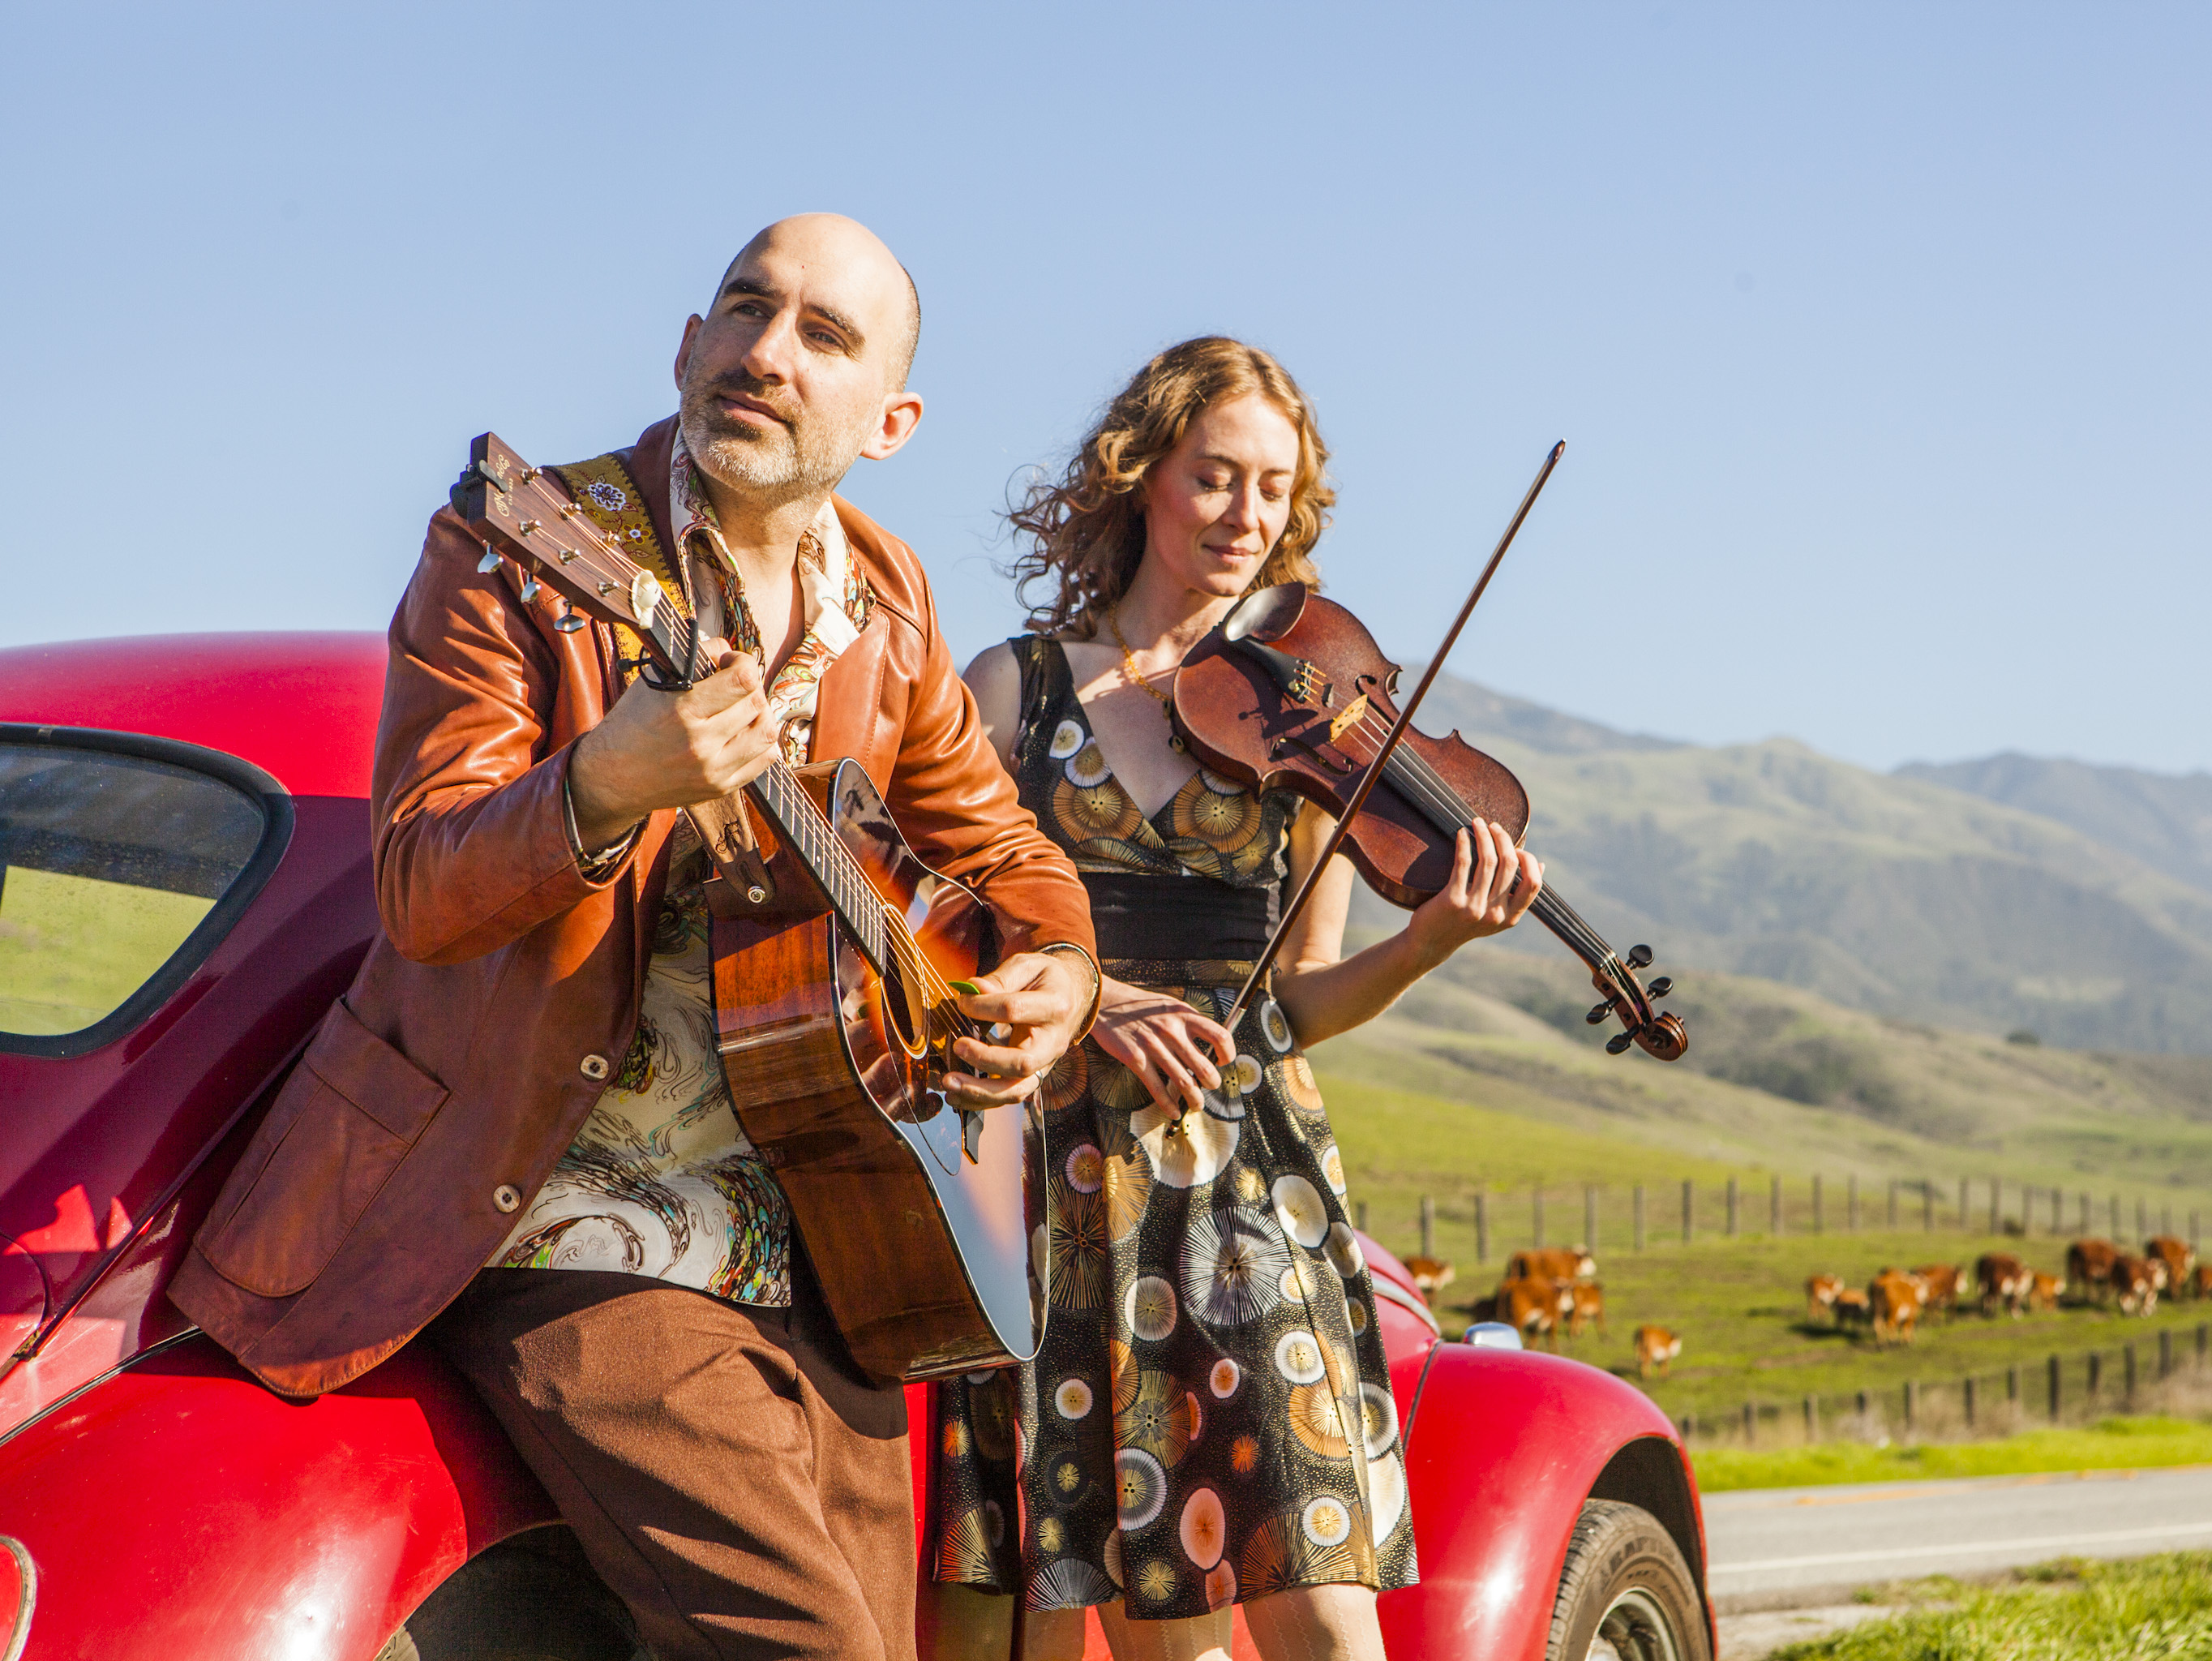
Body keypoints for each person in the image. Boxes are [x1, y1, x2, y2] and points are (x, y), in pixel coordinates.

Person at [169, 214, 1101, 1661]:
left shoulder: (891, 603)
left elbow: (1003, 848)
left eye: (823, 336)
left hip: (832, 1236)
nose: (765, 353)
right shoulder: (522, 544)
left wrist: (1061, 973)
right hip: (560, 1213)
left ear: (892, 420)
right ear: (687, 342)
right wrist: (605, 784)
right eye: (744, 308)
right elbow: (420, 882)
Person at [928, 337, 1544, 1661]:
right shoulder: (1016, 690)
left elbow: (1303, 999)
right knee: (1159, 1628)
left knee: (1319, 1593)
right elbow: (940, 935)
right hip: (1050, 1168)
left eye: (1274, 490)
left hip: (1247, 1175)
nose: (1246, 516)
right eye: (1216, 477)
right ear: (1143, 475)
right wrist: (1095, 1003)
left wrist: (1432, 938)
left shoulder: (1300, 720)